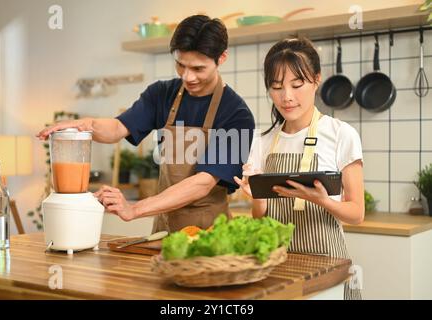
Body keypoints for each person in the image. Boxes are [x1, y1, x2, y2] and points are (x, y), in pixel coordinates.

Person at [37, 15, 255, 233]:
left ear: (222, 58)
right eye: (180, 65)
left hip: (210, 236)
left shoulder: (237, 115)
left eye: (198, 69)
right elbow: (116, 129)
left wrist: (134, 209)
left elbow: (203, 183)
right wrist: (83, 125)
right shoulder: (162, 94)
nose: (187, 77)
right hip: (163, 230)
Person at [233, 38, 364, 300]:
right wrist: (256, 198)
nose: (287, 97)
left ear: (316, 80)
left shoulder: (341, 134)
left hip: (326, 267)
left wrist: (323, 201)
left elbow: (356, 213)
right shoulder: (262, 141)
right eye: (276, 87)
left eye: (297, 84)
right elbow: (260, 220)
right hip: (275, 269)